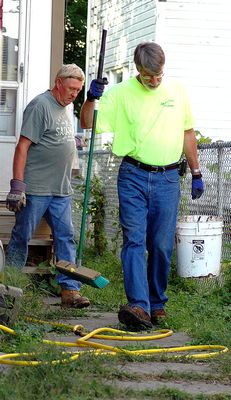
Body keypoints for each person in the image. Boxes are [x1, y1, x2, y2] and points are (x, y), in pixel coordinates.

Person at [80, 42, 204, 329]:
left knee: (160, 245)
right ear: (138, 70)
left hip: (168, 178)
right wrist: (91, 98)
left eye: (159, 74)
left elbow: (187, 132)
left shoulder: (177, 91)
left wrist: (196, 171)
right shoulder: (120, 94)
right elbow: (87, 122)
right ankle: (139, 305)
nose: (155, 80)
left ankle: (157, 301)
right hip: (133, 175)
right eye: (149, 76)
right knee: (134, 241)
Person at [5, 64, 90, 309]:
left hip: (61, 189)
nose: (75, 94)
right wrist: (18, 185)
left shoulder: (67, 106)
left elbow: (55, 137)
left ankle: (70, 291)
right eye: (72, 88)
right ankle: (8, 289)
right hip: (36, 188)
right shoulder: (40, 105)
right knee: (22, 236)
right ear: (58, 83)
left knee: (66, 238)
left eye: (79, 90)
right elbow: (22, 146)